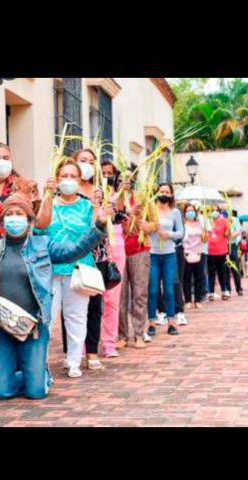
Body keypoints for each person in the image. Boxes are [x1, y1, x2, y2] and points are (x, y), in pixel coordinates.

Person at [0, 193, 107, 400]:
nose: (14, 217)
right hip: (0, 327)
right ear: (2, 222)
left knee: (36, 392)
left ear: (29, 220)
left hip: (34, 327)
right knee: (1, 392)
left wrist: (98, 227)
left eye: (19, 213)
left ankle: (37, 375)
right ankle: (25, 373)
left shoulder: (43, 245)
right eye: (9, 214)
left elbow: (74, 251)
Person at [0, 143, 56, 388]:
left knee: (20, 307)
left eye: (5, 157)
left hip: (19, 253)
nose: (1, 161)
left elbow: (43, 221)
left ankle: (26, 366)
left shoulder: (27, 186)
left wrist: (49, 196)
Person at [41, 159, 106, 378]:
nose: (68, 180)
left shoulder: (87, 206)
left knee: (76, 316)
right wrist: (46, 194)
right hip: (49, 267)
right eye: (64, 176)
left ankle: (74, 361)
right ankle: (39, 360)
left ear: (80, 181)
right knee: (47, 316)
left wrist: (97, 206)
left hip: (79, 269)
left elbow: (97, 231)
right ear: (57, 179)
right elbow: (39, 226)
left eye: (73, 177)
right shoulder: (49, 202)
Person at [66, 149, 116, 369]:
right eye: (82, 161)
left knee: (95, 305)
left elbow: (103, 223)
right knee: (70, 305)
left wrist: (99, 206)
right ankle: (72, 352)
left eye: (90, 162)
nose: (87, 165)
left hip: (98, 254)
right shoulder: (67, 190)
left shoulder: (99, 191)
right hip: (74, 253)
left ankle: (92, 352)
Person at [118, 173, 157, 348]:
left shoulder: (143, 198)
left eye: (128, 179)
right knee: (119, 295)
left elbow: (155, 223)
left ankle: (139, 334)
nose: (125, 182)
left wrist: (145, 226)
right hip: (118, 251)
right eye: (121, 180)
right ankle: (122, 335)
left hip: (140, 250)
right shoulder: (113, 199)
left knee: (139, 293)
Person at [98, 160, 131, 358]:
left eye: (110, 173)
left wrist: (121, 191)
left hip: (116, 247)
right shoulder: (93, 194)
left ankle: (109, 342)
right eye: (103, 172)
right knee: (93, 298)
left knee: (112, 298)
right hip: (96, 247)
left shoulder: (118, 196)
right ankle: (89, 342)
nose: (106, 176)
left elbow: (120, 213)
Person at [147, 184, 185, 337]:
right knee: (153, 290)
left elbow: (181, 233)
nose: (164, 194)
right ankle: (151, 322)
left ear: (171, 195)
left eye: (167, 192)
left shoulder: (175, 212)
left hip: (169, 254)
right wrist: (151, 227)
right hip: (152, 254)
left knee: (169, 289)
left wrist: (168, 234)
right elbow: (142, 227)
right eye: (161, 191)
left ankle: (171, 322)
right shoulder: (150, 210)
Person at [182, 203, 206, 309]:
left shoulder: (200, 223)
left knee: (199, 277)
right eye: (188, 211)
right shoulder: (183, 225)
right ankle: (187, 300)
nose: (190, 213)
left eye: (192, 210)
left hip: (198, 252)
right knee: (186, 277)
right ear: (185, 213)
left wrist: (205, 231)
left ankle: (197, 299)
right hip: (186, 252)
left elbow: (205, 239)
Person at [206, 207, 231, 299]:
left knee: (222, 272)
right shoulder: (207, 221)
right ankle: (211, 292)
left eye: (215, 209)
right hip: (209, 250)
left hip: (221, 250)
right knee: (211, 272)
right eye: (212, 210)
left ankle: (224, 291)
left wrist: (229, 227)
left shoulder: (224, 221)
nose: (213, 211)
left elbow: (227, 235)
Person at [227, 210, 244, 296]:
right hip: (222, 246)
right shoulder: (219, 219)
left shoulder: (234, 219)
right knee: (225, 268)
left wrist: (230, 236)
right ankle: (227, 290)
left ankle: (239, 288)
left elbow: (239, 231)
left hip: (232, 245)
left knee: (235, 267)